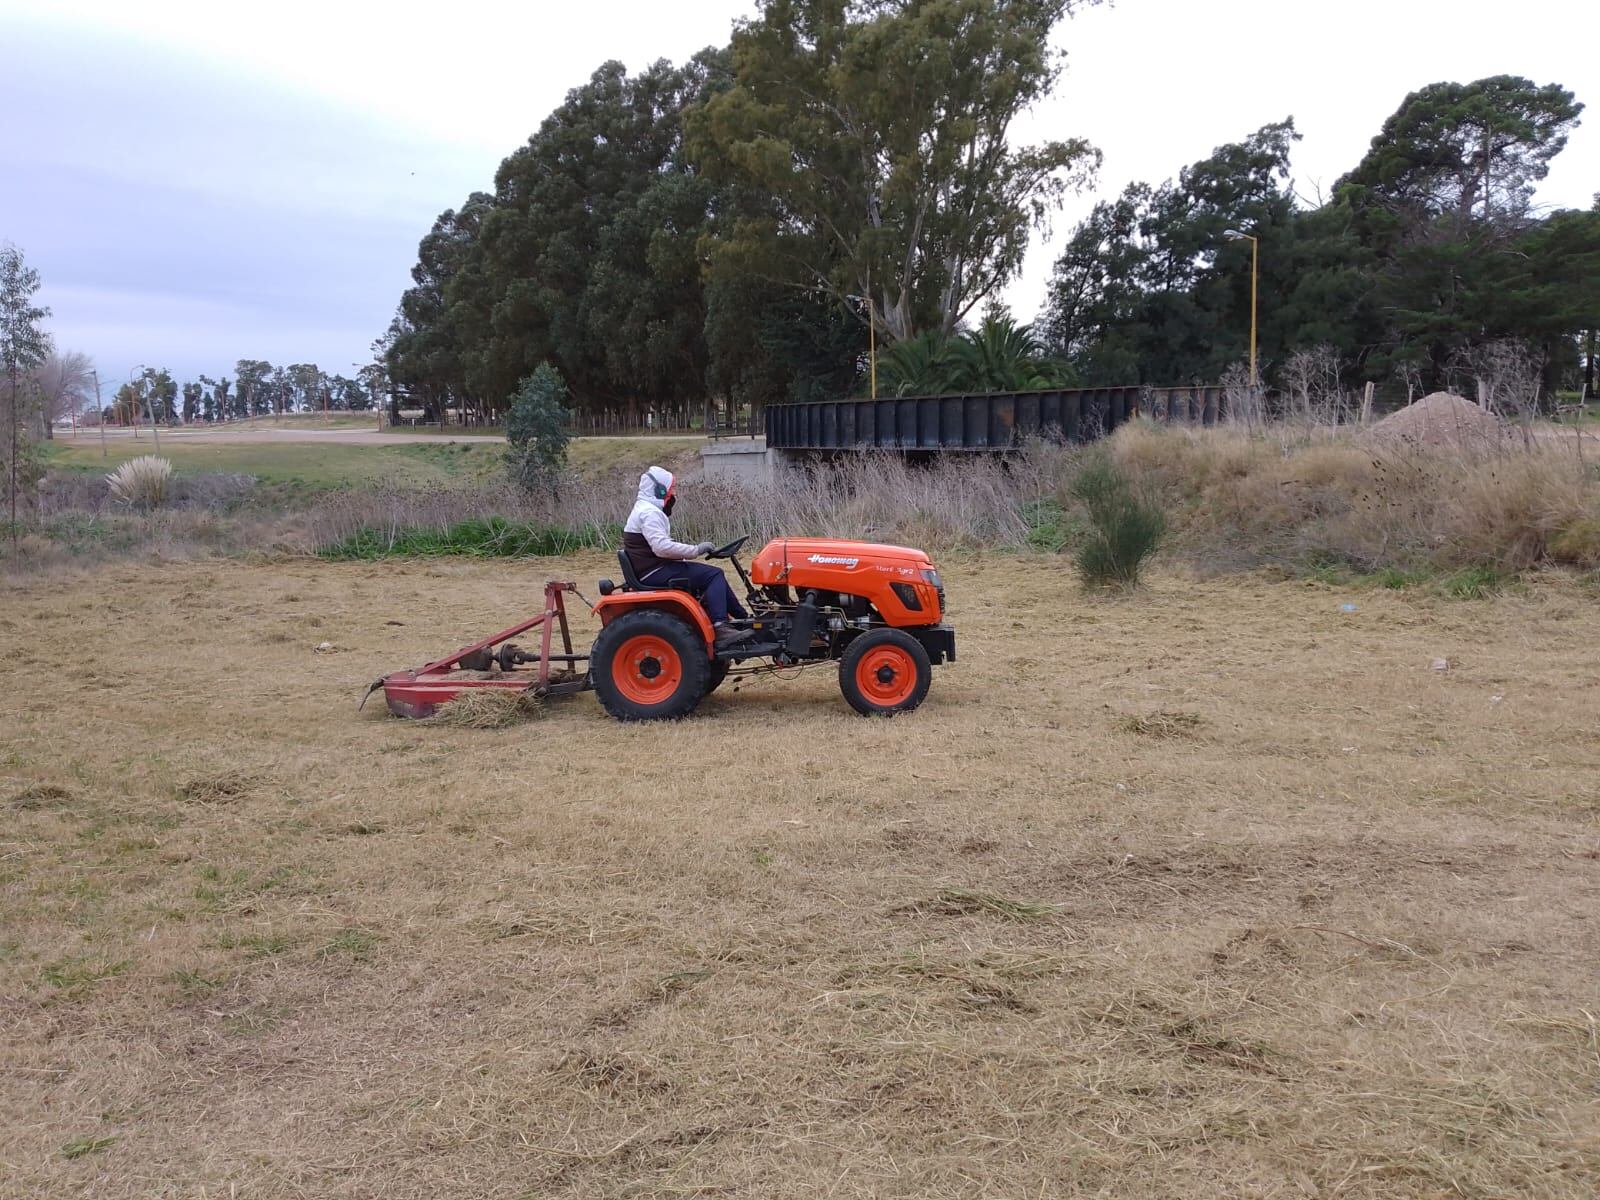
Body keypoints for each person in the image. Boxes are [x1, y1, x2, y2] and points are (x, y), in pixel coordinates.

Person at [623, 466, 752, 647]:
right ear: (659, 490)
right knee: (713, 575)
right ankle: (721, 626)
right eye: (671, 489)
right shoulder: (649, 513)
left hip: (653, 567)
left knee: (715, 574)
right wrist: (696, 550)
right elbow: (661, 548)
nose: (673, 494)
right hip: (654, 571)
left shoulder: (646, 509)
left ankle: (744, 620)